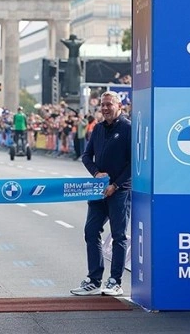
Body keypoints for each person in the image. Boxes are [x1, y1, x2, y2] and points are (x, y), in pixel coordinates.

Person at [71, 91, 131, 297]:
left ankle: (115, 281)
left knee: (118, 235)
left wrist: (115, 184)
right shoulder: (97, 128)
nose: (105, 108)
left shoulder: (128, 128)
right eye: (102, 105)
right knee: (91, 231)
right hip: (98, 191)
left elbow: (134, 163)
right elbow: (86, 156)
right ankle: (94, 279)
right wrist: (96, 173)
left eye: (109, 105)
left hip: (119, 191)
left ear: (119, 106)